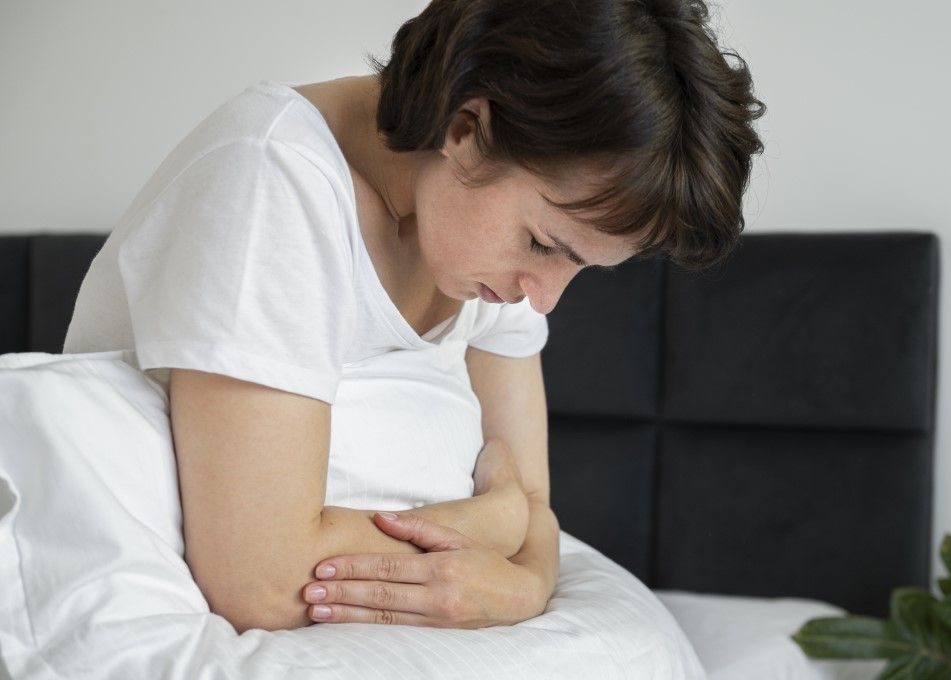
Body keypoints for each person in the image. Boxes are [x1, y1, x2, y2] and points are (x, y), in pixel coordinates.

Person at [63, 0, 764, 633]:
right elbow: (263, 581)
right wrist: (497, 520)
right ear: (465, 128)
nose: (542, 297)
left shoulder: (467, 243)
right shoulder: (270, 179)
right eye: (543, 244)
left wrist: (522, 586)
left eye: (579, 265)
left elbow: (539, 510)